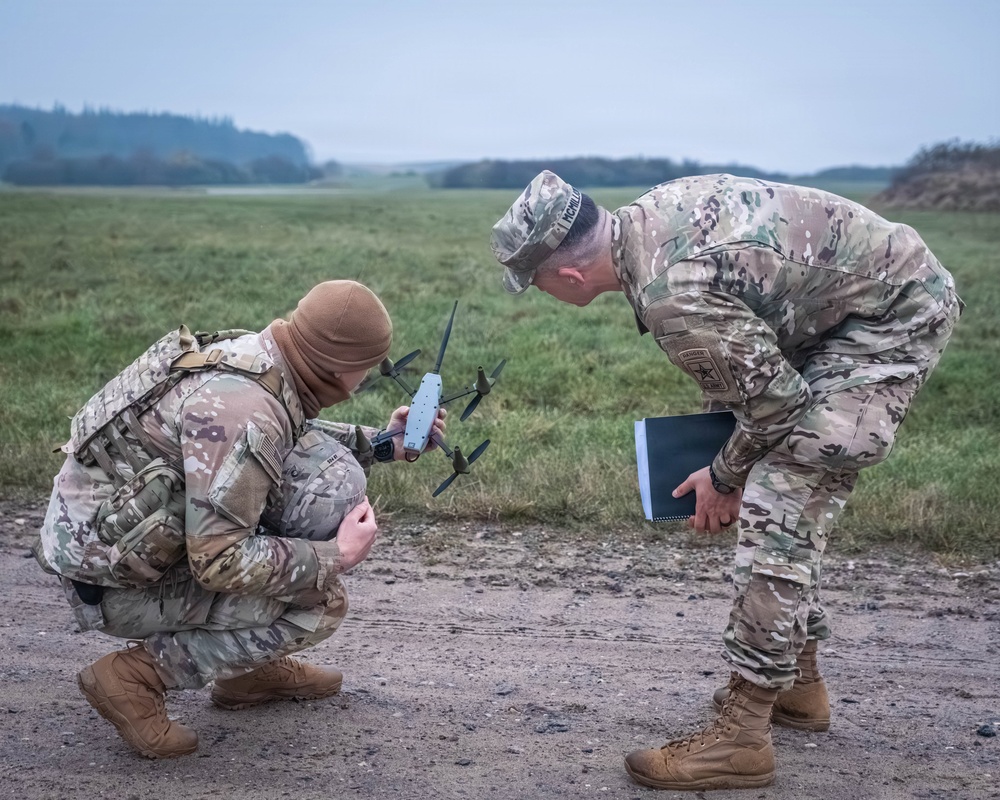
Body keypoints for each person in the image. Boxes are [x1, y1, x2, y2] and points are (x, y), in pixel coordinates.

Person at [489, 172, 961, 791]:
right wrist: (728, 447)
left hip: (891, 319)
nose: (541, 293)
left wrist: (724, 474)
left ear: (568, 278)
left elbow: (775, 406)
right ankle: (797, 685)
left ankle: (741, 735)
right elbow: (744, 352)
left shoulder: (669, 293)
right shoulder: (644, 221)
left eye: (537, 283)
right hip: (845, 308)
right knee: (772, 477)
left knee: (784, 500)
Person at [34, 280, 445, 759]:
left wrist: (381, 443)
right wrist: (335, 555)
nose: (365, 380)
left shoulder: (258, 356)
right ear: (337, 368)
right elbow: (218, 561)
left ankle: (245, 671)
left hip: (116, 531)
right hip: (113, 581)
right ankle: (137, 677)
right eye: (365, 369)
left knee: (316, 482)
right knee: (318, 601)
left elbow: (282, 439)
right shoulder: (245, 409)